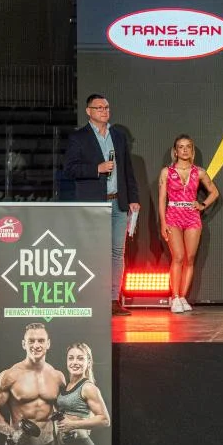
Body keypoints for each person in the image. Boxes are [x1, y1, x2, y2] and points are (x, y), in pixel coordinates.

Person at [63, 94, 140, 316]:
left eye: (106, 107)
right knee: (94, 252)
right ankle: (93, 298)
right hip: (94, 204)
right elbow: (69, 169)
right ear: (88, 111)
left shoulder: (118, 136)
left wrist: (133, 198)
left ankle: (114, 299)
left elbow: (127, 170)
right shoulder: (79, 137)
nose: (104, 111)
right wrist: (96, 168)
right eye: (99, 108)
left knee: (117, 252)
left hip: (118, 202)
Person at [0, 323, 65, 445]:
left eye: (41, 341)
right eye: (31, 341)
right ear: (23, 344)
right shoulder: (10, 376)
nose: (36, 345)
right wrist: (12, 433)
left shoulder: (57, 377)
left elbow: (60, 413)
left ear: (48, 344)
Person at [158, 135, 219, 313]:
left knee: (190, 259)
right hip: (173, 215)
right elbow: (162, 199)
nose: (184, 150)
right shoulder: (166, 172)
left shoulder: (199, 172)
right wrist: (163, 223)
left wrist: (202, 205)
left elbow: (214, 192)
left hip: (192, 216)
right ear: (175, 151)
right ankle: (175, 297)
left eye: (188, 147)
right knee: (178, 256)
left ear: (192, 151)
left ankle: (183, 297)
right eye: (181, 147)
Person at [54, 343, 111, 445]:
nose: (74, 362)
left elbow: (105, 420)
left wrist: (73, 424)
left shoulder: (88, 387)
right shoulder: (67, 385)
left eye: (80, 358)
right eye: (71, 358)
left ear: (88, 362)